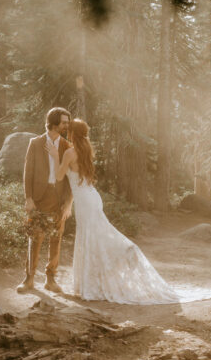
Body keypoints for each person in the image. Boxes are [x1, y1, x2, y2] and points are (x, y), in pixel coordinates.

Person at [46, 119, 179, 304]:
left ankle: (124, 251)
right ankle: (98, 276)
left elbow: (60, 176)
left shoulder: (69, 153)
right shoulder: (86, 150)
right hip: (92, 197)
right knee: (96, 236)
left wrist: (54, 156)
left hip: (85, 201)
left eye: (69, 130)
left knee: (91, 238)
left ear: (72, 134)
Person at [17, 107, 73, 293]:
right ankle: (29, 279)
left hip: (58, 200)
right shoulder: (35, 143)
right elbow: (28, 172)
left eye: (67, 122)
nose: (67, 125)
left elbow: (70, 179)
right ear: (54, 123)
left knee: (56, 238)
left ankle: (51, 279)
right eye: (64, 122)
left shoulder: (67, 146)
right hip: (39, 198)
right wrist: (28, 198)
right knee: (35, 238)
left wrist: (67, 202)